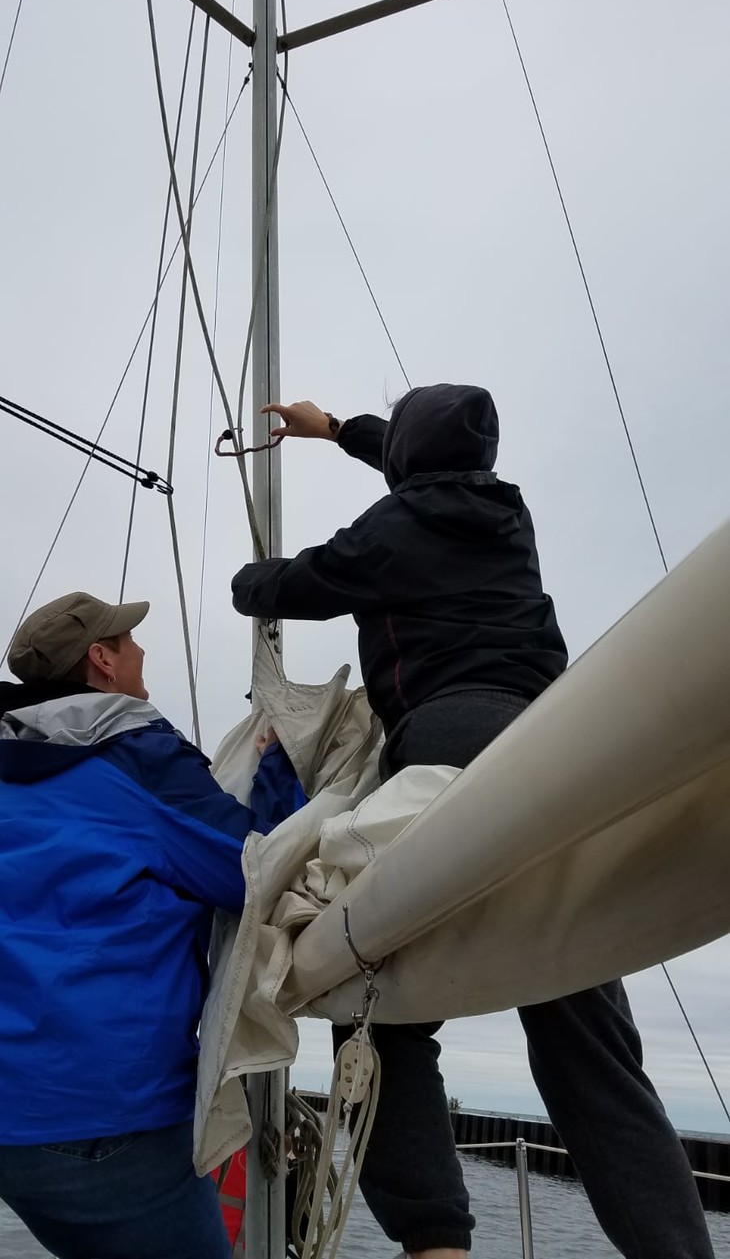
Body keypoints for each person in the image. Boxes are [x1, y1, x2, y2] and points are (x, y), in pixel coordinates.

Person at [231, 386, 715, 1259]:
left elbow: (289, 585)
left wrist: (245, 582)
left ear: (410, 455)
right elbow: (416, 462)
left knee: (375, 1006)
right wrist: (338, 430)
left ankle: (436, 1244)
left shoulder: (387, 534)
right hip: (550, 763)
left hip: (445, 753)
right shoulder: (505, 513)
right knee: (588, 1036)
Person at [0, 591, 302, 1259]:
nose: (141, 648)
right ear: (101, 661)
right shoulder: (137, 756)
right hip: (101, 1113)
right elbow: (253, 870)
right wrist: (280, 764)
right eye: (127, 639)